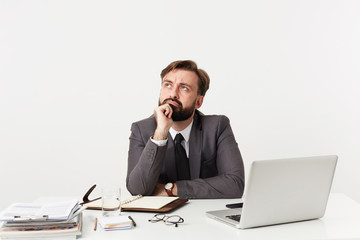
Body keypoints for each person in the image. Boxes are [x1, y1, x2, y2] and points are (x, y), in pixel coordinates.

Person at [126, 60, 244, 199]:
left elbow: (235, 185)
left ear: (198, 102)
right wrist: (160, 134)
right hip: (159, 219)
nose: (173, 94)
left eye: (184, 88)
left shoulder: (217, 127)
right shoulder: (141, 130)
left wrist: (171, 189)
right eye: (168, 85)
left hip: (205, 215)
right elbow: (137, 189)